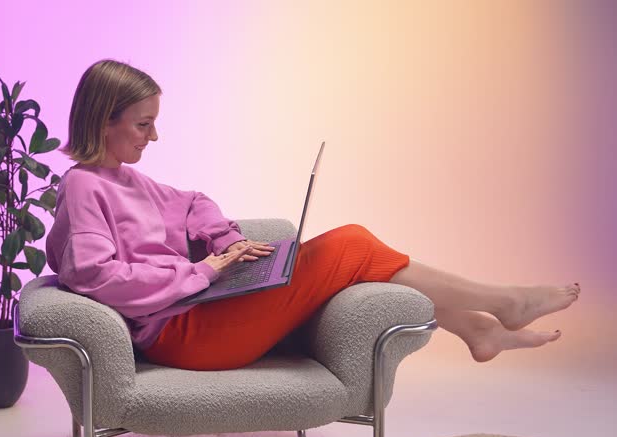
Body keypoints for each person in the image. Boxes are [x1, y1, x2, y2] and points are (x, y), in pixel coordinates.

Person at [45, 59, 581, 371]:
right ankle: (501, 304)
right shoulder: (84, 185)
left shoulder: (129, 179)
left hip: (201, 311)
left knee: (352, 251)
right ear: (104, 120)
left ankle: (473, 326)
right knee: (352, 244)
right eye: (143, 124)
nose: (154, 135)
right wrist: (204, 272)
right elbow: (97, 277)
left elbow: (192, 202)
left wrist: (223, 241)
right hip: (181, 334)